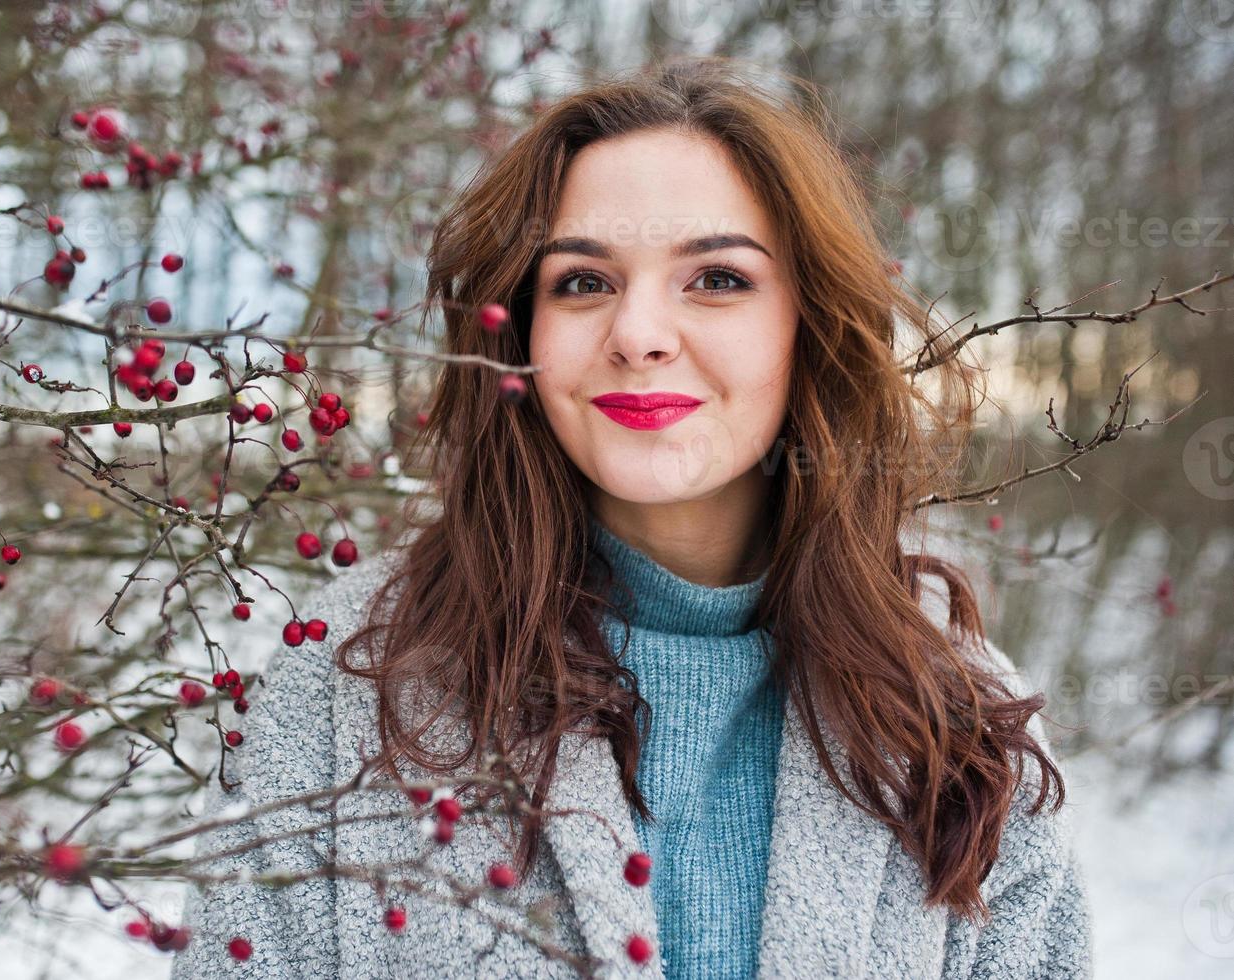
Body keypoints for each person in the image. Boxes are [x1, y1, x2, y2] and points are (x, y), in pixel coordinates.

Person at [170, 56, 1093, 979]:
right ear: (517, 332)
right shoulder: (350, 677)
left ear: (808, 324)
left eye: (717, 279)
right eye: (581, 282)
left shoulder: (955, 722)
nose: (638, 332)